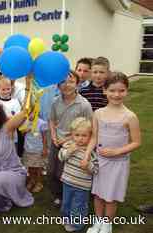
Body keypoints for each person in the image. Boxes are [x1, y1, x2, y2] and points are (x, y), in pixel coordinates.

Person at [84, 72, 141, 233]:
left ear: (127, 91)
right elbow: (94, 137)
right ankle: (97, 221)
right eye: (112, 90)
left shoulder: (130, 116)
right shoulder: (98, 113)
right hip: (100, 161)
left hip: (118, 163)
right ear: (105, 90)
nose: (117, 94)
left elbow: (136, 142)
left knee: (111, 195)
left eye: (121, 90)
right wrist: (87, 154)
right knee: (98, 194)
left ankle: (107, 224)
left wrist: (117, 151)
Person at [49, 71, 93, 207]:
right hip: (56, 141)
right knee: (52, 171)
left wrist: (68, 139)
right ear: (58, 85)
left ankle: (67, 197)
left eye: (71, 81)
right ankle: (57, 194)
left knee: (66, 172)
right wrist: (53, 135)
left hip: (73, 144)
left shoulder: (84, 105)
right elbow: (52, 120)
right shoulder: (55, 101)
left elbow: (88, 127)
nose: (66, 85)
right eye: (62, 82)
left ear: (77, 84)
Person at [58, 117, 98, 232]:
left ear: (90, 136)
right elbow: (61, 157)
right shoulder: (68, 145)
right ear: (72, 135)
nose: (80, 139)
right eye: (77, 135)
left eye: (84, 136)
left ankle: (77, 225)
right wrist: (70, 151)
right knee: (66, 202)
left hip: (82, 185)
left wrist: (88, 166)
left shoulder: (90, 152)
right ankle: (66, 218)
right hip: (67, 181)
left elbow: (95, 169)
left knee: (78, 206)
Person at [22, 114, 48, 193]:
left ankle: (39, 183)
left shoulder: (41, 123)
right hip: (28, 149)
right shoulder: (25, 122)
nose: (30, 115)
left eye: (32, 113)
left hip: (38, 149)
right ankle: (32, 180)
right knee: (30, 166)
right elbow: (22, 134)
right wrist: (25, 131)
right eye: (28, 113)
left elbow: (44, 137)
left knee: (38, 167)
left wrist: (44, 148)